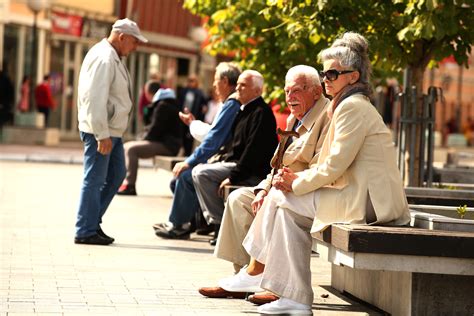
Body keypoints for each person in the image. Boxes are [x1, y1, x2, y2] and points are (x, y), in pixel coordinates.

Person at [237, 32, 410, 314]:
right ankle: (289, 294)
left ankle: (263, 274)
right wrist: (292, 182)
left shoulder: (352, 108)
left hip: (369, 204)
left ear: (353, 77)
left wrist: (296, 184)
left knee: (282, 200)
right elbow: (327, 162)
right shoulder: (344, 106)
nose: (325, 79)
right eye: (324, 73)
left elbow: (334, 166)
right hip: (355, 194)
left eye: (332, 74)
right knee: (283, 207)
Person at [197, 65, 331, 302]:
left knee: (275, 203)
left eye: (297, 91)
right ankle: (243, 275)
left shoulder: (326, 118)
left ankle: (260, 277)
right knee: (239, 199)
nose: (290, 98)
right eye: (287, 91)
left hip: (305, 192)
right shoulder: (293, 119)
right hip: (281, 186)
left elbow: (321, 169)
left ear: (317, 92)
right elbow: (277, 165)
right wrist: (263, 188)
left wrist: (278, 187)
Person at [74, 18, 148, 245]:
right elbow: (95, 97)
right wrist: (101, 134)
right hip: (102, 131)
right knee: (94, 179)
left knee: (116, 176)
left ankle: (92, 221)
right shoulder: (105, 58)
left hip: (111, 131)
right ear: (122, 36)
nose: (135, 47)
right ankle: (85, 230)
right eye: (134, 42)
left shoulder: (112, 55)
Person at [188, 70, 279, 246]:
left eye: (243, 85)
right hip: (237, 165)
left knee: (201, 174)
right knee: (199, 171)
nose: (237, 88)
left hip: (252, 172)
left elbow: (252, 153)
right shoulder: (243, 110)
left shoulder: (261, 112)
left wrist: (232, 177)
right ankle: (218, 223)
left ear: (257, 91)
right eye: (237, 84)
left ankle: (219, 224)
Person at [152, 62, 242, 239]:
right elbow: (214, 133)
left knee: (186, 177)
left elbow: (214, 140)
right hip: (227, 159)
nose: (214, 85)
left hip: (232, 162)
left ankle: (178, 225)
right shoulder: (230, 103)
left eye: (216, 81)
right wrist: (194, 124)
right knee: (178, 180)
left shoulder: (232, 104)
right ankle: (189, 222)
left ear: (224, 81)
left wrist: (189, 162)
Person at [118, 88, 183, 196]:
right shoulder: (171, 104)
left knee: (131, 149)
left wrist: (141, 140)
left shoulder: (163, 106)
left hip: (167, 146)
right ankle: (126, 182)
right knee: (127, 147)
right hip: (170, 144)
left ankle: (130, 185)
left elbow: (155, 130)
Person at [178, 74, 208, 155]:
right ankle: (184, 151)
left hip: (193, 117)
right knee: (183, 136)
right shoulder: (184, 91)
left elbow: (204, 104)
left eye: (192, 81)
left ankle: (187, 153)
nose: (191, 83)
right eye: (189, 81)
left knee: (190, 136)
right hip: (183, 116)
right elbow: (179, 102)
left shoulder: (199, 92)